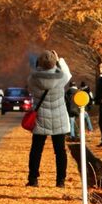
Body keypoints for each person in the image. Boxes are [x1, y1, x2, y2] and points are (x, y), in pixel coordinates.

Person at [26, 49, 71, 188]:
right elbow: (68, 74)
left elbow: (30, 88)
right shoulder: (62, 76)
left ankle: (33, 179)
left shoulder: (33, 78)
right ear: (53, 63)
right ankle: (60, 180)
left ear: (39, 63)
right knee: (60, 151)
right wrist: (59, 60)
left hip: (41, 117)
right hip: (59, 116)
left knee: (36, 149)